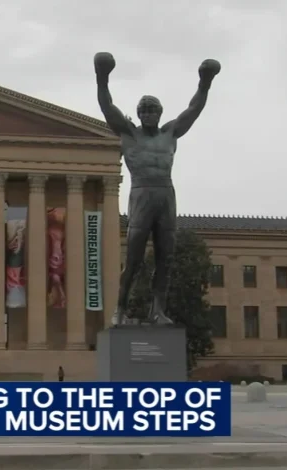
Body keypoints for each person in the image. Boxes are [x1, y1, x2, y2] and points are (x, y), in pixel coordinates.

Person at [94, 52, 220, 325]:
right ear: (138, 114)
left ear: (160, 114)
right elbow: (107, 106)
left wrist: (204, 82)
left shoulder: (170, 133)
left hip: (166, 195)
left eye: (153, 110)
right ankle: (120, 310)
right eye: (144, 110)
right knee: (135, 260)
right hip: (141, 195)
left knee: (166, 258)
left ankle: (157, 310)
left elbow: (193, 110)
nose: (148, 114)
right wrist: (101, 77)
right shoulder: (128, 133)